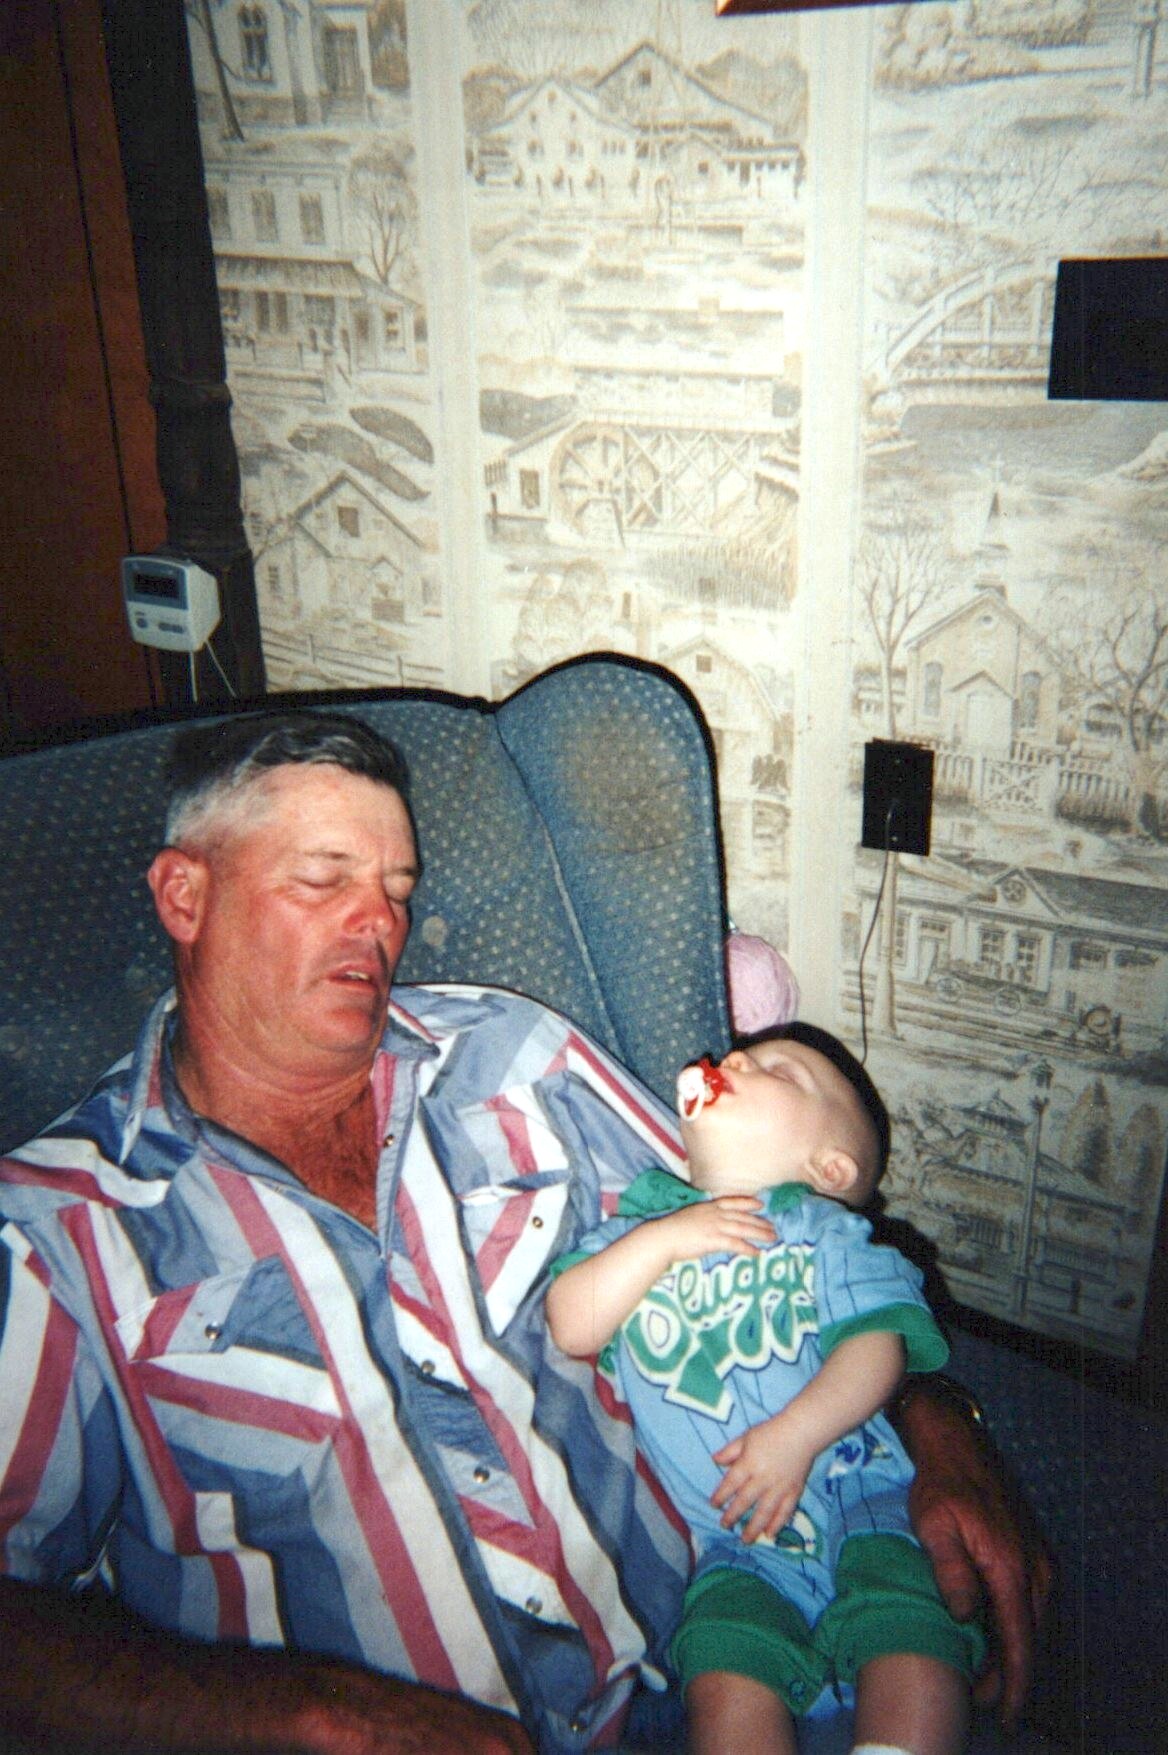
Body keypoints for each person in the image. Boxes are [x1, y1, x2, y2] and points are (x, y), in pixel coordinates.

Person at [0, 712, 1048, 1755]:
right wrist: (320, 1718)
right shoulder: (57, 1231)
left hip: (720, 1662)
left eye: (399, 889)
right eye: (324, 880)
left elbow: (780, 1231)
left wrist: (929, 1418)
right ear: (185, 896)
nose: (378, 923)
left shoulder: (514, 1054)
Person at [548, 1027, 984, 1755]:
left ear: (829, 1166)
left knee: (908, 1616)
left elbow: (876, 1345)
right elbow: (570, 1324)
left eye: (775, 1070)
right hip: (737, 1541)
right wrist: (665, 1238)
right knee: (722, 1654)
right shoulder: (637, 1233)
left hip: (858, 1495)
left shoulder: (823, 1232)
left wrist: (795, 1436)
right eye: (736, 1058)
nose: (733, 1061)